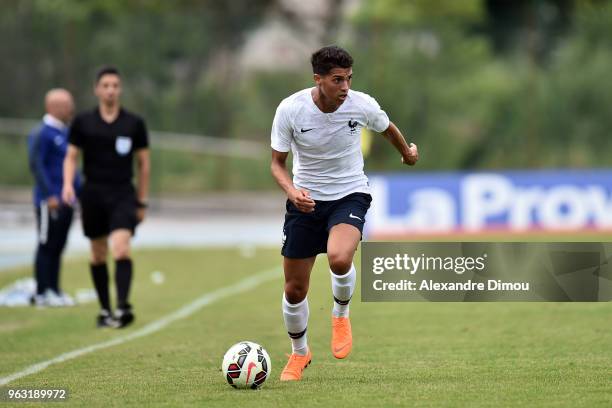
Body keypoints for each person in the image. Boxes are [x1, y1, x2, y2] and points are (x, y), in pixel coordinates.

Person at [270, 45, 419, 381]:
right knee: (294, 290)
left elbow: (387, 127)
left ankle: (340, 314)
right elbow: (276, 164)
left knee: (339, 258)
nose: (345, 87)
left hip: (350, 194)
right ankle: (299, 354)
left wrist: (407, 153)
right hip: (304, 202)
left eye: (349, 79)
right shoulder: (291, 110)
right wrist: (292, 192)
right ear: (318, 80)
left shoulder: (360, 104)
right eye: (338, 80)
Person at [62, 66, 150, 328]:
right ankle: (104, 310)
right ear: (97, 89)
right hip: (93, 194)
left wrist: (142, 200)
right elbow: (71, 156)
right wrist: (67, 184)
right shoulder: (83, 122)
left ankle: (123, 307)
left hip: (123, 192)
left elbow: (144, 164)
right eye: (106, 85)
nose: (110, 90)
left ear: (120, 89)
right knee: (98, 254)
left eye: (115, 85)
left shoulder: (134, 123)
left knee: (121, 248)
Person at [27, 88, 80, 307]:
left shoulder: (65, 133)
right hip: (49, 201)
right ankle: (41, 292)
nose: (71, 108)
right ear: (53, 106)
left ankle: (55, 290)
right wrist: (49, 195)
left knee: (59, 245)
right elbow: (36, 165)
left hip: (67, 200)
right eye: (67, 103)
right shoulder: (42, 133)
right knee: (46, 244)